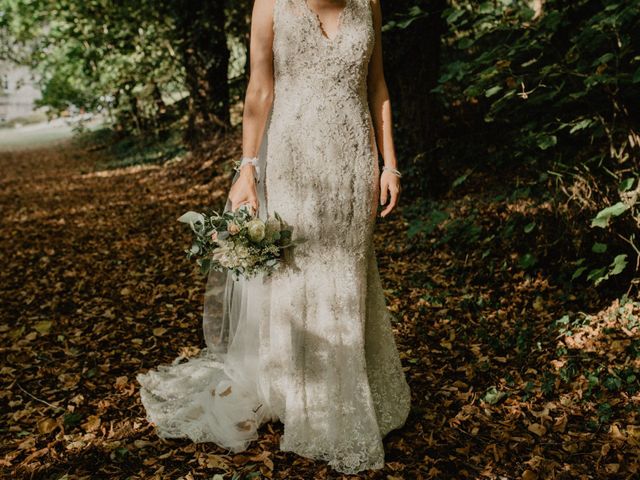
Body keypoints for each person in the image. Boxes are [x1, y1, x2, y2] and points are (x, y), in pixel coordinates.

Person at [137, 0, 411, 474]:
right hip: (291, 156)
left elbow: (377, 84)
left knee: (346, 270)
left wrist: (390, 163)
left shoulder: (369, 3)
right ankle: (298, 395)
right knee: (296, 272)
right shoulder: (270, 3)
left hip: (351, 158)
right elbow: (260, 88)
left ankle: (349, 390)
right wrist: (247, 168)